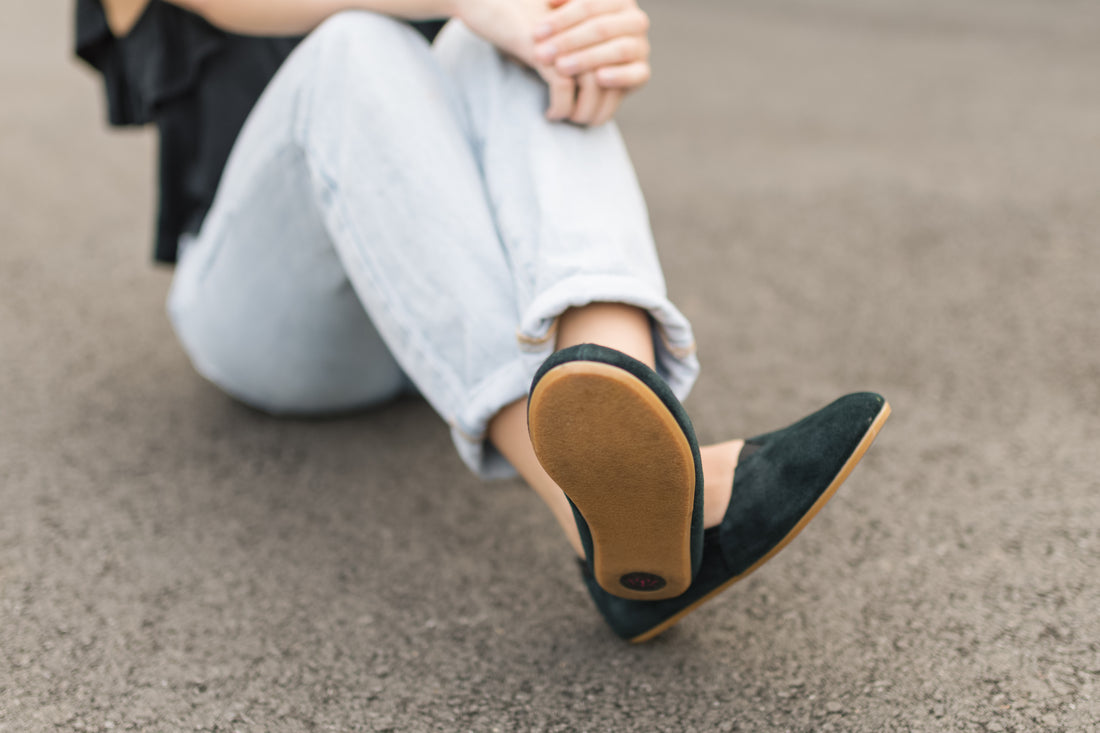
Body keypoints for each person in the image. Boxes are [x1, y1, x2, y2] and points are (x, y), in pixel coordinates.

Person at [76, 0, 890, 642]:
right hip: (274, 326)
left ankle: (614, 372)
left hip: (453, 307)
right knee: (352, 44)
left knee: (524, 31)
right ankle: (600, 505)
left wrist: (592, 36)